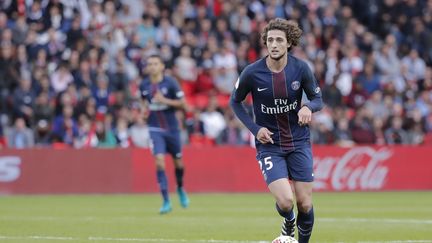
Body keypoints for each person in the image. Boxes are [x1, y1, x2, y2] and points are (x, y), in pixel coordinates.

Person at [230, 18, 323, 243]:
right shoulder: (252, 72)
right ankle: (288, 220)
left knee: (305, 203)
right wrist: (255, 128)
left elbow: (317, 98)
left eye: (279, 40)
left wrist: (308, 107)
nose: (274, 44)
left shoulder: (300, 68)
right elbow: (235, 102)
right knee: (285, 202)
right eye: (270, 40)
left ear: (289, 43)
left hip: (298, 142)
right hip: (270, 145)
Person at [140, 54, 190, 214]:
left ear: (162, 66)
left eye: (155, 63)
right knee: (159, 161)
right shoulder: (144, 85)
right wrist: (143, 113)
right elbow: (143, 103)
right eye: (150, 64)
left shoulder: (170, 82)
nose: (152, 66)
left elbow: (183, 104)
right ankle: (166, 201)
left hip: (172, 129)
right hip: (154, 128)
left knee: (178, 163)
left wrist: (165, 101)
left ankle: (180, 188)